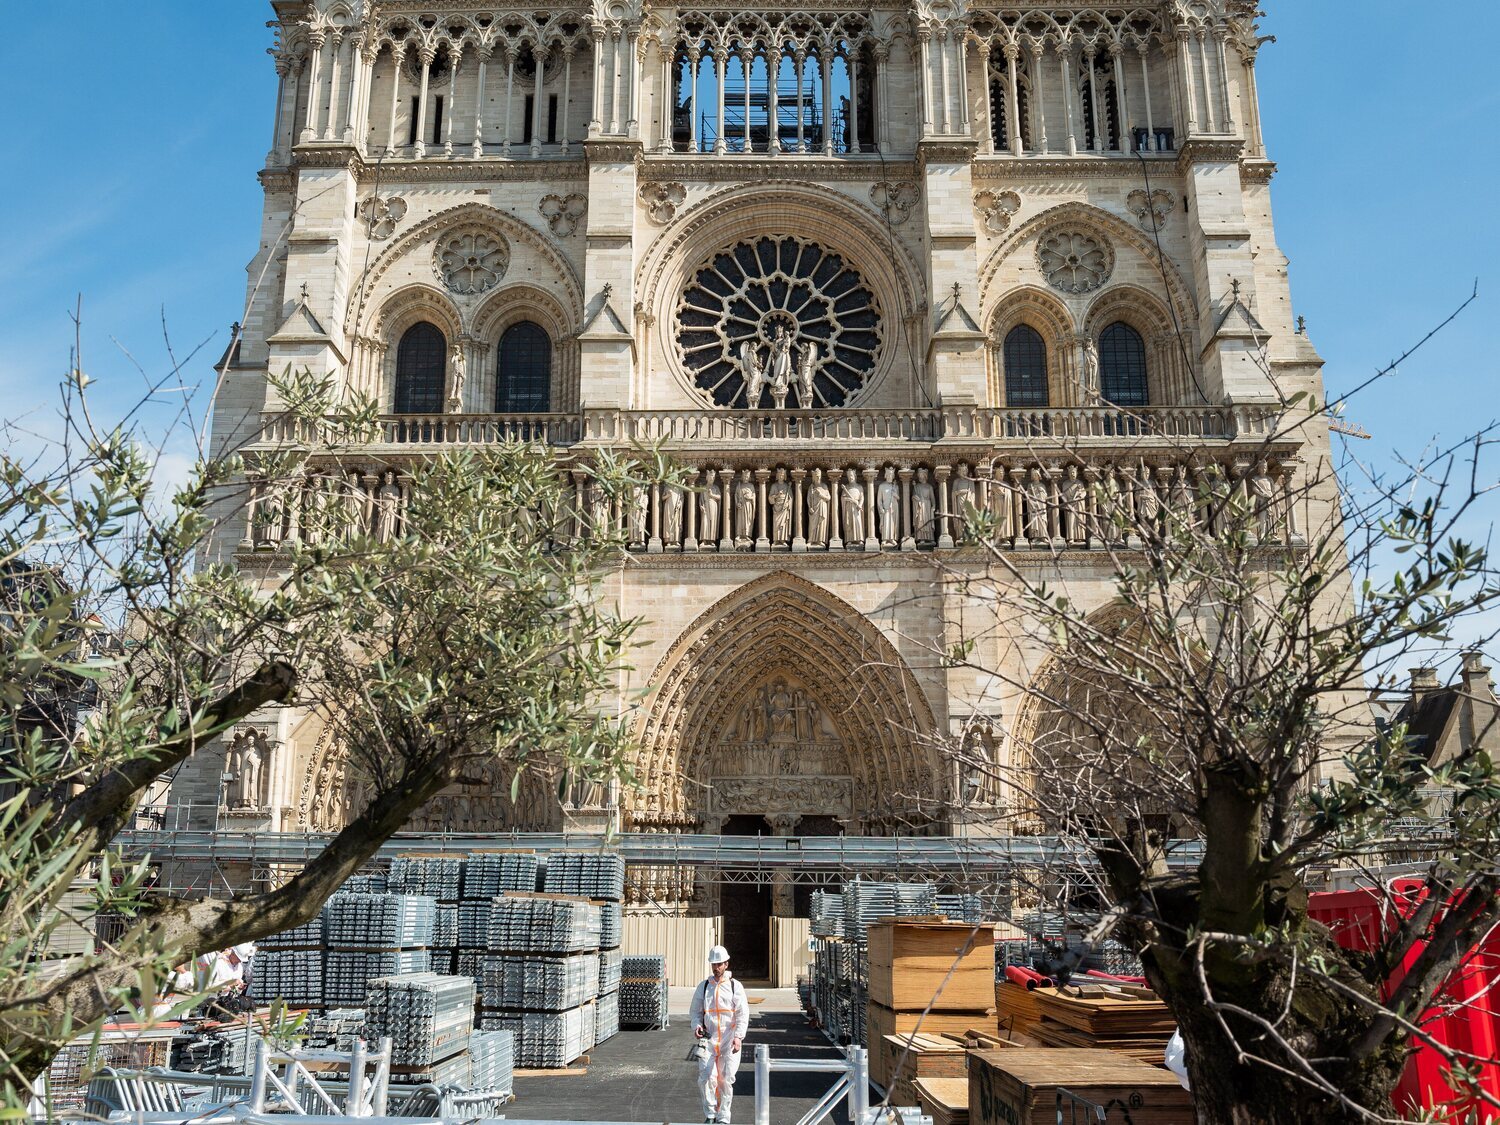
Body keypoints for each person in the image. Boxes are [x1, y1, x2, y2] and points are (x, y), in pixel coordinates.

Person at [689, 944, 749, 1124]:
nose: (716, 968)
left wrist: (738, 1036)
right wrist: (697, 1025)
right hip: (709, 1039)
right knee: (706, 1077)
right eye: (714, 964)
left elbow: (742, 1013)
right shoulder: (704, 986)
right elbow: (695, 1011)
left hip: (729, 1039)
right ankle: (710, 1114)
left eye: (719, 964)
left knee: (725, 1080)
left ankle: (723, 1117)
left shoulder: (734, 986)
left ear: (726, 964)